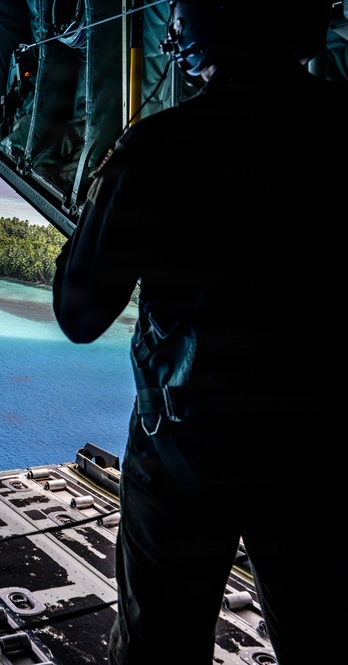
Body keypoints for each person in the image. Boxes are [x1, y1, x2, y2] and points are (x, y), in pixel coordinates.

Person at [52, 2, 346, 663]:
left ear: (193, 40)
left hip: (186, 446)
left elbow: (80, 312)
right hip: (320, 447)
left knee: (158, 645)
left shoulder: (158, 146)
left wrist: (101, 205)